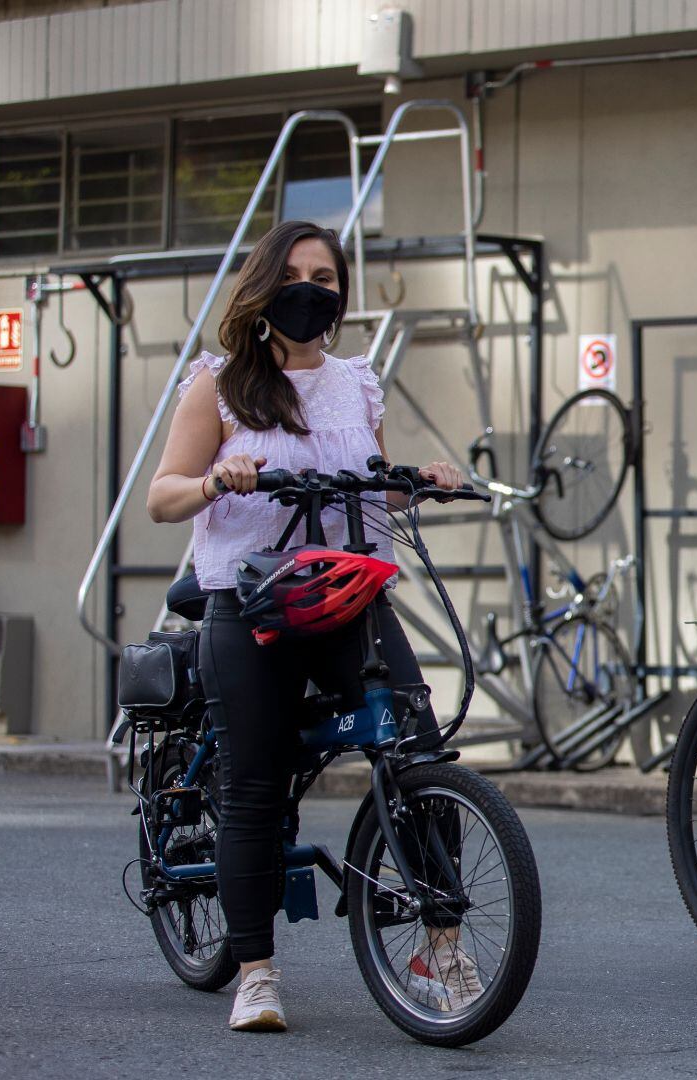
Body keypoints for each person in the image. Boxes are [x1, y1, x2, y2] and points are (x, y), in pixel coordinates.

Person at [146, 220, 468, 1031]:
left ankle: (442, 944)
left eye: (327, 276)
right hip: (251, 606)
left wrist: (419, 479)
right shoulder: (220, 385)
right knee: (253, 783)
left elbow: (369, 486)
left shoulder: (358, 381)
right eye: (296, 274)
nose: (312, 289)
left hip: (349, 597)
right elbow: (162, 496)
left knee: (417, 748)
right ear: (263, 287)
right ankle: (255, 972)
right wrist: (218, 478)